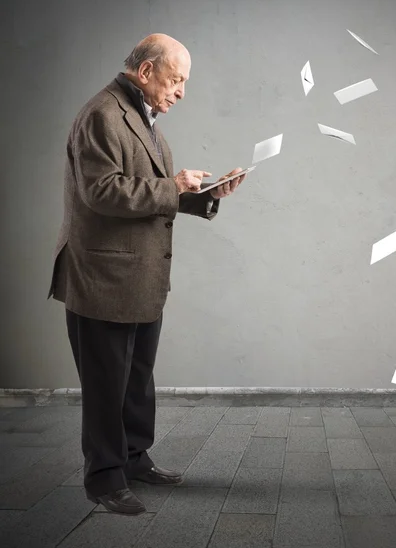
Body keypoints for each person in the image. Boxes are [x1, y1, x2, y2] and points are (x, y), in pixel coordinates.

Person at [47, 34, 246, 515]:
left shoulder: (140, 116)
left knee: (136, 379)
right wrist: (173, 185)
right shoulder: (102, 115)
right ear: (146, 72)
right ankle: (104, 479)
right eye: (176, 80)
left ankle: (134, 460)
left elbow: (153, 191)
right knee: (105, 385)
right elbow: (103, 192)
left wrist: (210, 193)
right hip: (103, 279)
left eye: (184, 82)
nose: (181, 91)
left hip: (137, 277)